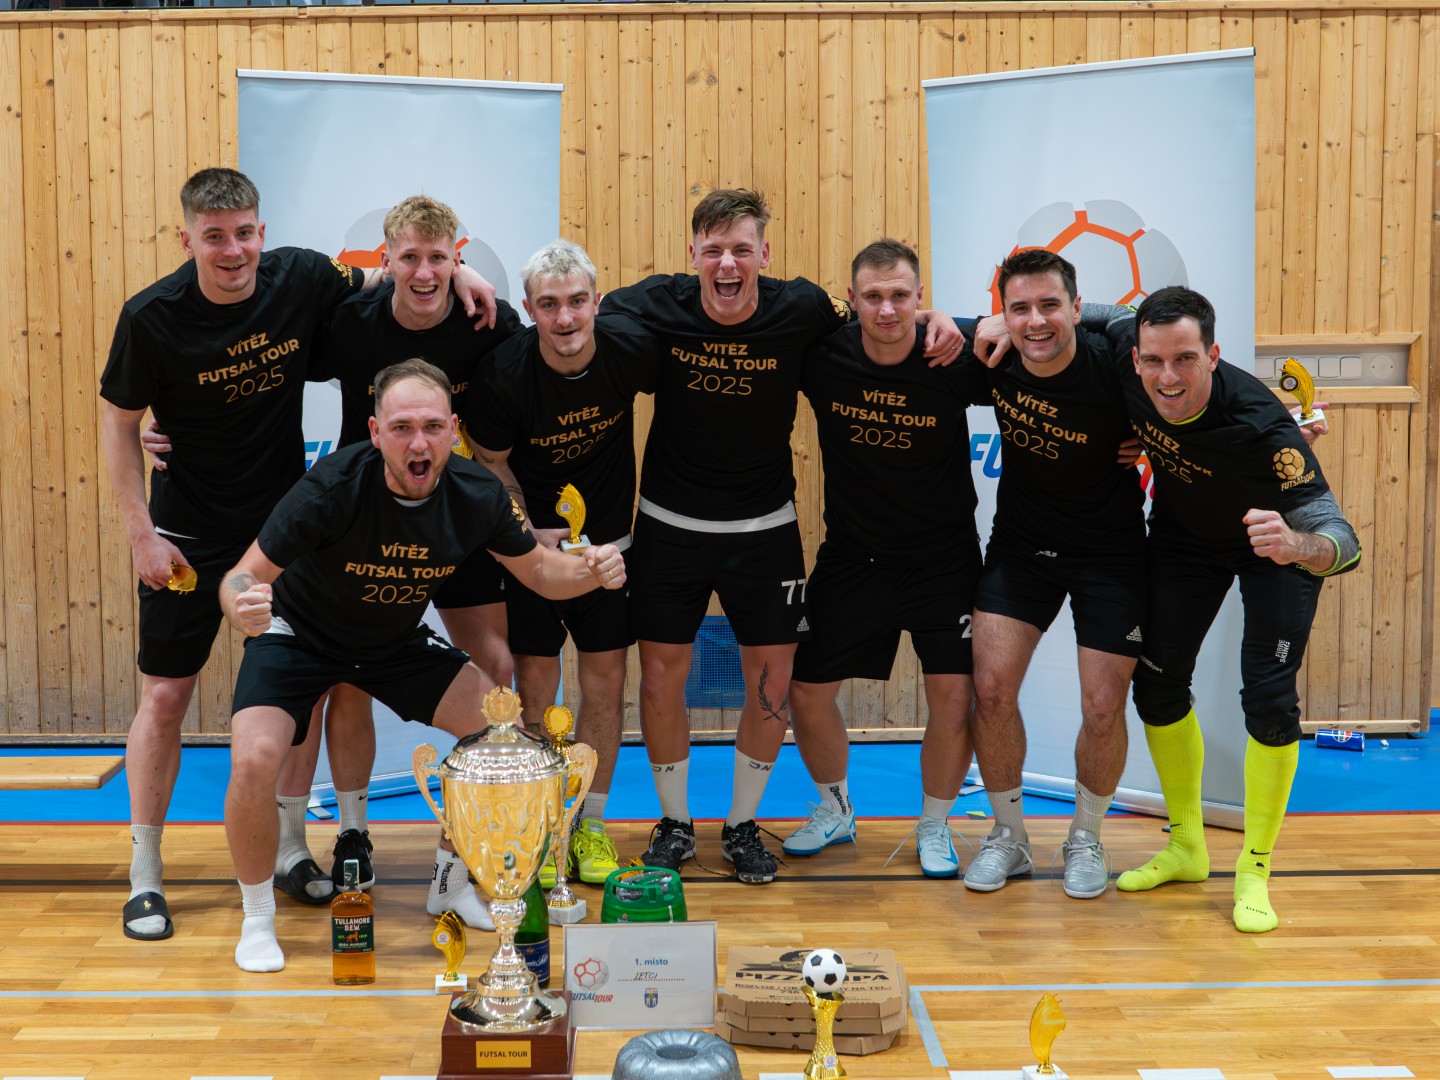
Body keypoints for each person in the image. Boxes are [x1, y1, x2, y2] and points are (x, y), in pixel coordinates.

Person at [99, 168, 495, 940]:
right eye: (214, 237)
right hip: (187, 536)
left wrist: (463, 268)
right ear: (188, 240)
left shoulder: (301, 276)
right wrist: (141, 531)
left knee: (300, 694)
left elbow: (394, 270)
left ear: (262, 233)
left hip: (287, 531)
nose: (233, 250)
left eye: (245, 232)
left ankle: (289, 850)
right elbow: (119, 422)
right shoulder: (150, 317)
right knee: (166, 699)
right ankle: (145, 875)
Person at [599, 189, 964, 883]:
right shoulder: (651, 304)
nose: (728, 263)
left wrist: (938, 315)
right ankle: (674, 823)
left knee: (772, 685)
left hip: (765, 530)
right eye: (714, 250)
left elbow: (883, 320)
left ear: (764, 255)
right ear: (693, 258)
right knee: (661, 682)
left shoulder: (800, 310)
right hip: (668, 528)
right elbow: (568, 317)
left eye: (742, 249)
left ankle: (740, 826)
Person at [217, 359, 626, 971]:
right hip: (298, 635)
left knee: (495, 736)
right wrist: (241, 604)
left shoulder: (476, 492)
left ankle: (449, 880)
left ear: (453, 430)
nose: (418, 442)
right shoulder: (331, 487)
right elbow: (240, 575)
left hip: (391, 641)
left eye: (432, 427)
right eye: (402, 426)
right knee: (253, 758)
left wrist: (595, 568)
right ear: (376, 432)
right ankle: (256, 918)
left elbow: (543, 573)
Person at [1114, 286, 1359, 932]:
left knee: (1268, 697)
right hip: (1186, 537)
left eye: (1185, 360)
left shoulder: (1264, 425)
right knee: (1157, 684)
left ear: (1214, 356)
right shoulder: (1127, 355)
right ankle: (1188, 846)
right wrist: (992, 318)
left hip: (1270, 545)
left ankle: (1253, 867)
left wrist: (1297, 543)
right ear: (1137, 356)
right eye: (1154, 361)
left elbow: (1343, 541)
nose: (1168, 378)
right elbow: (1076, 315)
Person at [305, 194, 523, 911]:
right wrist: (168, 427)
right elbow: (267, 381)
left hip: (457, 520)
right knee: (349, 678)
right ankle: (354, 834)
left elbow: (539, 386)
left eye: (439, 258)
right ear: (387, 260)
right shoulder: (347, 322)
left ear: (458, 258)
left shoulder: (488, 318)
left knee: (495, 672)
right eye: (410, 258)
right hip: (365, 521)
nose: (425, 272)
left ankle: (458, 863)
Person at [781, 239, 990, 877]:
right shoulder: (823, 357)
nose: (887, 309)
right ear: (853, 301)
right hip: (853, 558)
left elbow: (1052, 356)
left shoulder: (954, 356)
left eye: (901, 295)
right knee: (805, 691)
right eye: (873, 296)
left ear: (921, 299)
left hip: (944, 561)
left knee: (954, 699)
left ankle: (934, 825)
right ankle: (837, 808)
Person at [466, 240, 661, 888]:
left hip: (611, 556)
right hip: (532, 560)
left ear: (596, 302)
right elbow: (492, 463)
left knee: (606, 687)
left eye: (578, 301)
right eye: (549, 305)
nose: (567, 318)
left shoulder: (630, 346)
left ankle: (591, 827)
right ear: (529, 309)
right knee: (535, 693)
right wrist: (526, 536)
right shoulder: (502, 376)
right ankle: (542, 825)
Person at [963, 249, 1147, 900]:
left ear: (1076, 307)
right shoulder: (992, 353)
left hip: (1111, 553)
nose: (1035, 321)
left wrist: (1151, 432)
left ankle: (1086, 837)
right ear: (1002, 313)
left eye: (1050, 305)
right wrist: (982, 324)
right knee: (989, 690)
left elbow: (1176, 366)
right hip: (1021, 550)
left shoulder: (1122, 360)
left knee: (1103, 706)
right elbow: (905, 325)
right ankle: (1009, 836)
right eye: (1020, 308)